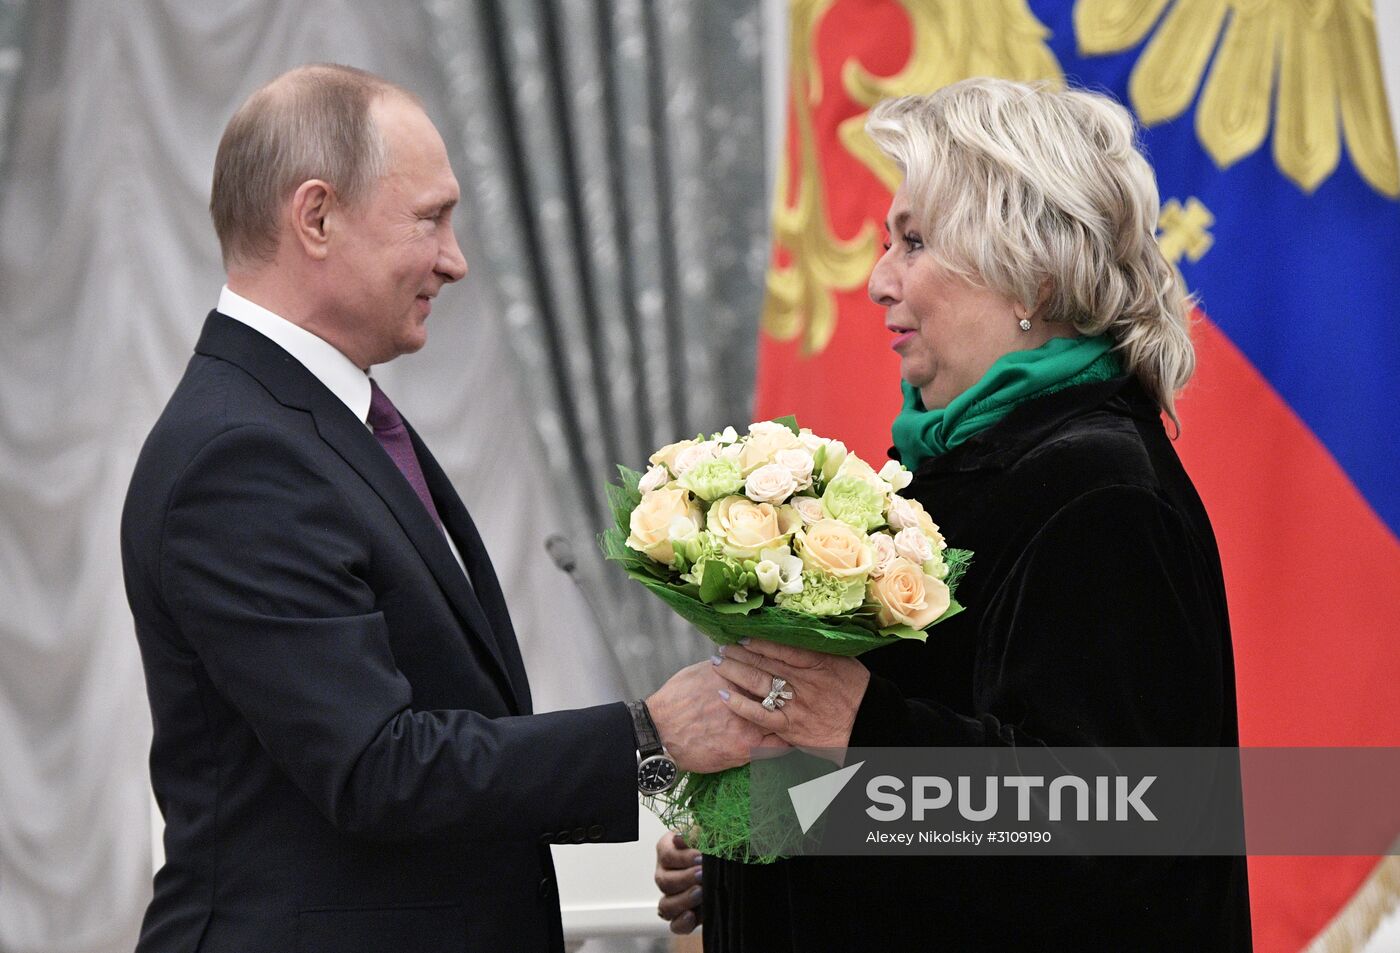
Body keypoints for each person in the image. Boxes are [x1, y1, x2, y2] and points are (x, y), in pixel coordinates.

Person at [120, 63, 763, 953]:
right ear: (316, 217)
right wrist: (647, 736)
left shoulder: (316, 418)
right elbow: (376, 768)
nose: (455, 259)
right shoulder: (241, 454)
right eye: (430, 218)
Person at [654, 78, 1252, 950]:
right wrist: (756, 852)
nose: (877, 280)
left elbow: (1116, 832)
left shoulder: (1102, 493)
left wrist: (868, 729)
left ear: (1032, 277)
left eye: (914, 242)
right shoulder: (960, 464)